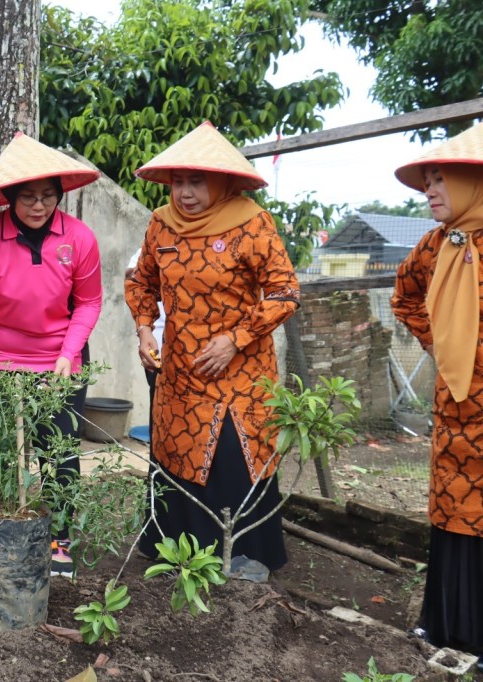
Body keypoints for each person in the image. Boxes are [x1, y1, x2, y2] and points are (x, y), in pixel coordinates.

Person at [125, 121, 300, 572]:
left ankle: (241, 556)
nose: (185, 193)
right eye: (178, 182)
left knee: (232, 459)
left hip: (239, 373)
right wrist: (144, 329)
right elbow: (141, 282)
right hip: (180, 370)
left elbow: (284, 292)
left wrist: (235, 340)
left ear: (221, 182)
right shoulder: (161, 225)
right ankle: (175, 553)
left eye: (197, 182)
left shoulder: (251, 223)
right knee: (176, 451)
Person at [0, 132, 102, 577]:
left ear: (59, 195)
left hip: (62, 362)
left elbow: (89, 303)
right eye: (29, 197)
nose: (39, 206)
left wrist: (68, 354)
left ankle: (59, 541)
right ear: (11, 197)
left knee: (60, 456)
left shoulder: (80, 238)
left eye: (48, 196)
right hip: (1, 362)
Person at [391, 121, 483, 662]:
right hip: (455, 408)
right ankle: (448, 627)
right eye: (427, 181)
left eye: (440, 179)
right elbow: (404, 297)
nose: (430, 191)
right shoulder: (436, 245)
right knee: (455, 512)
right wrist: (440, 343)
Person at [124, 247, 164, 436]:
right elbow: (132, 277)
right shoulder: (158, 241)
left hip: (203, 350)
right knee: (159, 417)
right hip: (158, 346)